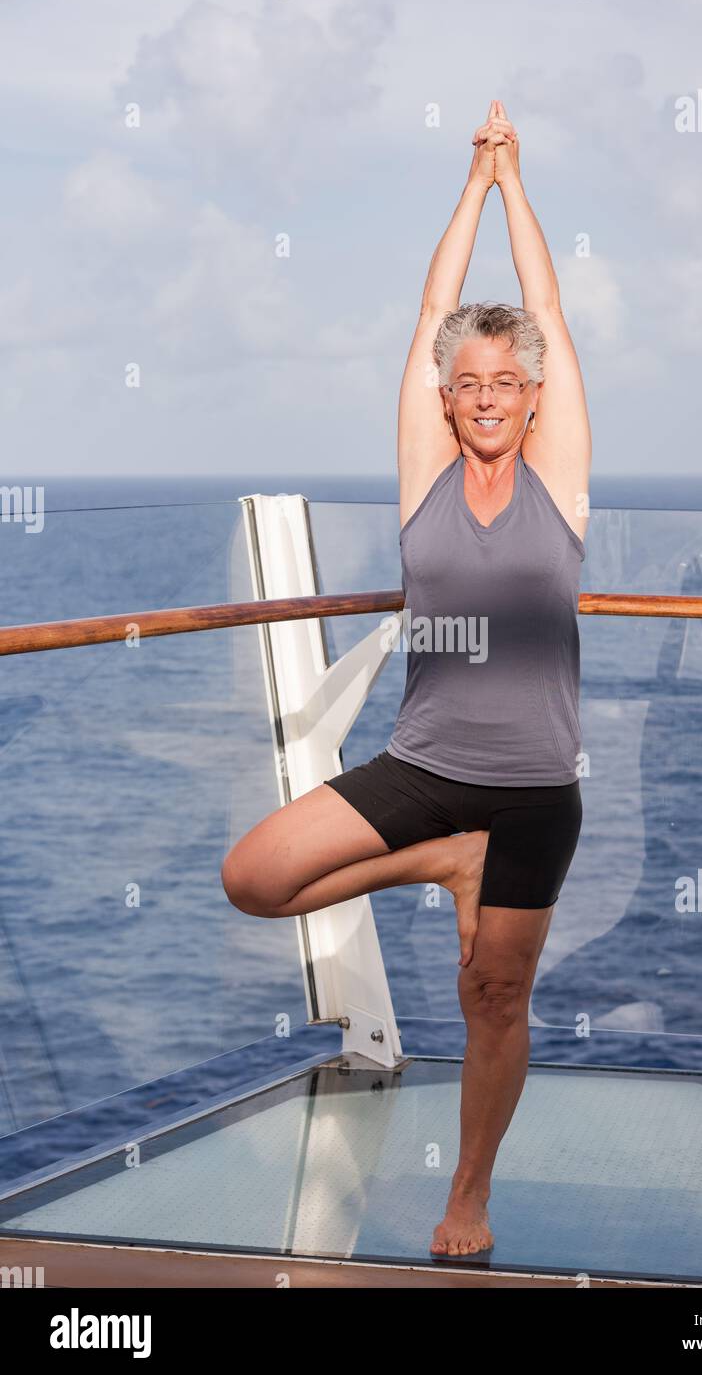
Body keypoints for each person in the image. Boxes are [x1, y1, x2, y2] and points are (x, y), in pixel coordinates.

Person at [221, 99, 592, 1259]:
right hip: (422, 770)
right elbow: (433, 312)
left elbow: (554, 314)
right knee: (257, 876)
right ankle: (443, 861)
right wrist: (469, 186)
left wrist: (517, 185)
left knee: (495, 998)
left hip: (535, 789)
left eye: (506, 381)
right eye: (468, 382)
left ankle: (470, 1194)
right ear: (448, 397)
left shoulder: (559, 482)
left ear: (533, 397)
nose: (486, 396)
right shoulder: (427, 478)